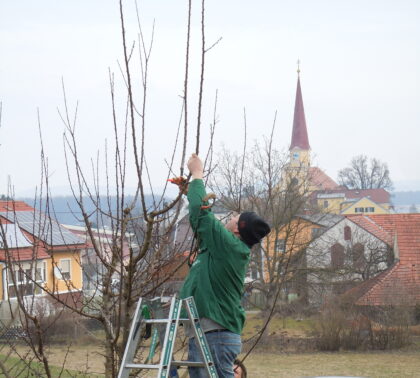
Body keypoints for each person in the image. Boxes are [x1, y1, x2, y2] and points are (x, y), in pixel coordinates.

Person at [179, 153, 270, 378]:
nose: (230, 216)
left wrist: (198, 175)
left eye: (235, 216)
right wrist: (191, 192)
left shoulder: (230, 247)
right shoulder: (225, 248)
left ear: (238, 230)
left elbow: (202, 218)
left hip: (215, 335)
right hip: (207, 332)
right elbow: (199, 221)